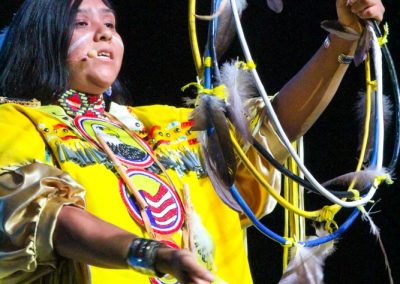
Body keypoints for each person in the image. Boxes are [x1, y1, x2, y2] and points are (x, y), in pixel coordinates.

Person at [0, 0, 384, 283]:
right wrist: (152, 254)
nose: (104, 32)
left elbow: (274, 130)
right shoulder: (15, 121)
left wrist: (343, 38)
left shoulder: (162, 124)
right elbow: (45, 219)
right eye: (80, 22)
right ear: (40, 36)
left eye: (111, 24)